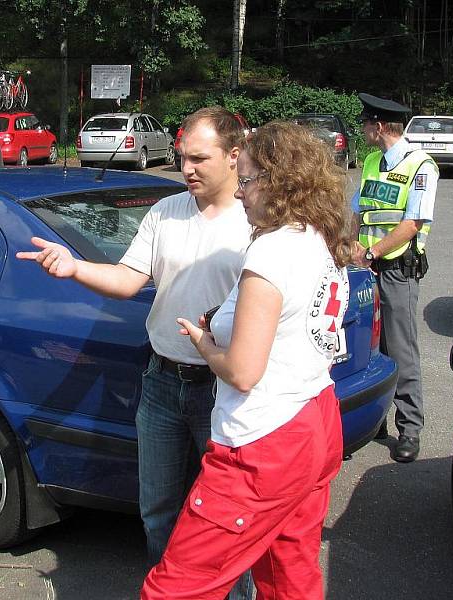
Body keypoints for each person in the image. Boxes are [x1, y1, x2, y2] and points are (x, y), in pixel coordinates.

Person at [17, 107, 254, 599]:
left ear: (234, 156)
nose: (186, 168)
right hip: (163, 382)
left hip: (225, 390)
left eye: (199, 159)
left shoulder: (256, 221)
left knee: (225, 518)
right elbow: (128, 279)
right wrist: (74, 267)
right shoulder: (166, 210)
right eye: (183, 157)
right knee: (159, 508)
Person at [142, 121, 354, 599]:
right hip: (315, 418)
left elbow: (242, 371)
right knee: (288, 572)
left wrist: (204, 343)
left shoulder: (271, 254)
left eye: (249, 179)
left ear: (278, 183)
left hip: (264, 439)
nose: (241, 193)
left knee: (177, 587)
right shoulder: (317, 235)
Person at [350, 93, 437, 463]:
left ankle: (410, 428)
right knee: (369, 347)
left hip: (397, 269)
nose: (363, 130)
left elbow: (412, 224)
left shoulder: (421, 166)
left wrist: (371, 252)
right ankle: (375, 419)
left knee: (400, 349)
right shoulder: (372, 160)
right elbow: (358, 209)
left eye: (367, 123)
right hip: (365, 268)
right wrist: (354, 247)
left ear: (380, 126)